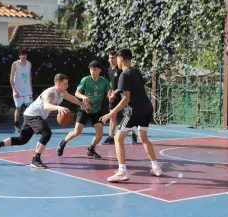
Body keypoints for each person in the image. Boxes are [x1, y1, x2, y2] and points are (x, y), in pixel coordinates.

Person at [0, 73, 91, 169]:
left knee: (22, 140)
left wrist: (82, 104)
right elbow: (46, 105)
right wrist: (58, 108)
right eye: (65, 84)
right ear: (58, 83)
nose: (67, 86)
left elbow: (71, 98)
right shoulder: (51, 92)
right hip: (33, 115)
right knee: (47, 133)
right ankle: (36, 159)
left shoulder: (63, 92)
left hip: (30, 114)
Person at [100, 49, 164, 182]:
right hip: (146, 109)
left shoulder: (124, 75)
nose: (116, 61)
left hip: (134, 111)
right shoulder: (136, 72)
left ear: (121, 59)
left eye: (117, 58)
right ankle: (156, 167)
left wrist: (111, 113)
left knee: (118, 138)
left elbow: (126, 98)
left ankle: (122, 171)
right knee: (143, 137)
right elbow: (144, 89)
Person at [57, 60, 111, 158]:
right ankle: (63, 142)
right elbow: (77, 93)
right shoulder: (86, 80)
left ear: (99, 70)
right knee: (77, 132)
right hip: (84, 109)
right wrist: (83, 97)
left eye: (95, 69)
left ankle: (91, 149)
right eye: (91, 69)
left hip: (96, 110)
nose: (92, 71)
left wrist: (110, 96)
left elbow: (109, 93)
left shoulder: (104, 82)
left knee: (100, 133)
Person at [102, 51, 138, 145]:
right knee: (112, 116)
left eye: (113, 58)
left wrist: (116, 91)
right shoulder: (110, 69)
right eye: (109, 58)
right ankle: (111, 136)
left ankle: (134, 133)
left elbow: (124, 85)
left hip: (123, 95)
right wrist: (110, 92)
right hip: (113, 96)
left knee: (128, 116)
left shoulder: (121, 69)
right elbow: (110, 82)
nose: (111, 60)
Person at [10, 50, 33, 132]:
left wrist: (31, 89)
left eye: (25, 55)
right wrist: (14, 90)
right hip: (18, 91)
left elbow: (30, 76)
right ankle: (16, 125)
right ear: (19, 56)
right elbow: (11, 79)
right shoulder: (15, 64)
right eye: (22, 55)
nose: (23, 56)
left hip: (27, 91)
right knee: (18, 108)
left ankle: (28, 125)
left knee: (30, 109)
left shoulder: (29, 63)